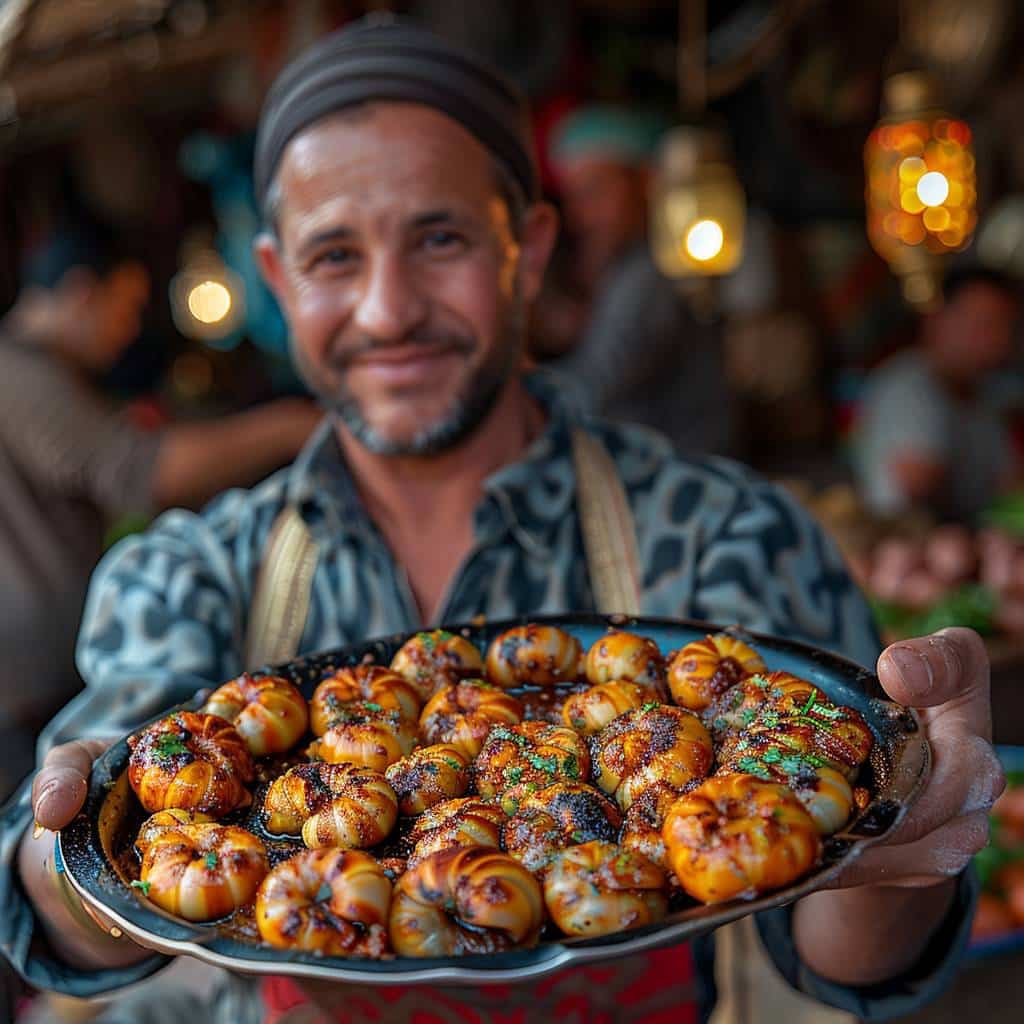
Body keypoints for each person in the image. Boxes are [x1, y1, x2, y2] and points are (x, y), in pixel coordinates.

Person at [1, 18, 1003, 1024]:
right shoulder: (189, 572)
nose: (389, 309)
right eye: (334, 254)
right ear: (276, 279)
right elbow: (48, 901)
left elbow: (837, 940)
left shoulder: (731, 532)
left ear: (527, 251)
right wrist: (73, 852)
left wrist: (905, 854)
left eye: (439, 238)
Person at [0, 253, 322, 796]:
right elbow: (139, 473)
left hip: (38, 662)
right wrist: (294, 426)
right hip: (30, 675)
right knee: (43, 803)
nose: (129, 330)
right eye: (128, 306)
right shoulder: (19, 373)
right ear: (83, 293)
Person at [540, 106, 737, 456]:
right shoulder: (619, 269)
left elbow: (589, 393)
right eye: (574, 198)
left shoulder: (653, 274)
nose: (580, 215)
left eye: (595, 191)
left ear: (647, 181)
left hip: (678, 485)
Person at [853, 266, 1022, 523]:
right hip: (911, 548)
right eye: (983, 324)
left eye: (1004, 326)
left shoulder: (987, 394)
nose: (995, 339)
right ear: (936, 320)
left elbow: (1009, 482)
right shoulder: (909, 386)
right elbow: (917, 486)